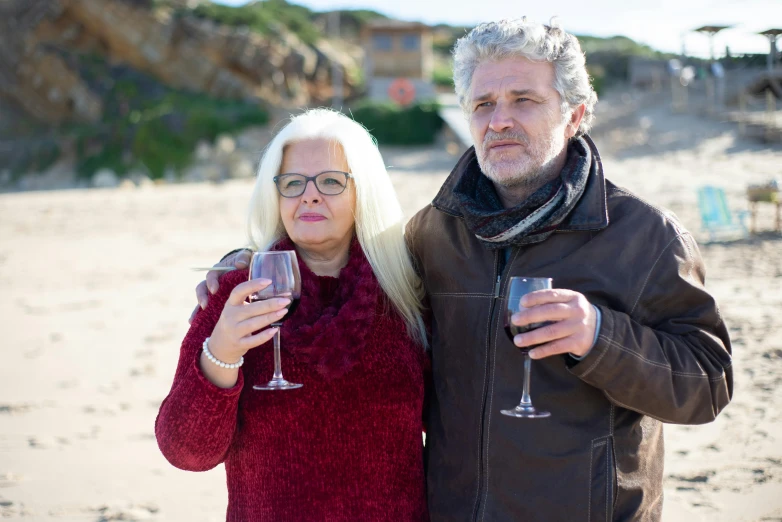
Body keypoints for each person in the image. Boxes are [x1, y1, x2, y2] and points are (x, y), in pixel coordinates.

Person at [198, 19, 733, 521]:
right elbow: (345, 261)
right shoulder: (432, 233)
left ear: (574, 113)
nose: (499, 119)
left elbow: (709, 383)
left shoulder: (645, 237)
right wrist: (254, 258)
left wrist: (601, 336)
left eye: (524, 100)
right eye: (482, 103)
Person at [156, 108, 430, 521]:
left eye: (332, 181)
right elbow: (186, 451)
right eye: (293, 183)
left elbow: (458, 428)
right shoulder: (237, 293)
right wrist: (222, 352)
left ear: (364, 192)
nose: (310, 195)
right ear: (276, 194)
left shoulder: (406, 293)